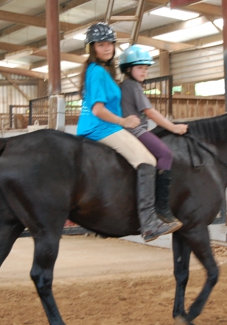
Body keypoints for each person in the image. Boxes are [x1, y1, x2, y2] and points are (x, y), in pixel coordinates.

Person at [76, 23, 182, 242]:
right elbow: (98, 109)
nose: (107, 48)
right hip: (102, 127)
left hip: (103, 126)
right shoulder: (97, 72)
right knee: (147, 160)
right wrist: (123, 120)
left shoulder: (102, 70)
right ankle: (149, 224)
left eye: (110, 44)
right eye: (101, 44)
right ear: (92, 48)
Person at [118, 45, 188, 224]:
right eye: (140, 68)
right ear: (128, 69)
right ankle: (162, 206)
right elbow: (150, 112)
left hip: (136, 129)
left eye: (146, 68)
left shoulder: (128, 85)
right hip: (134, 131)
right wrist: (173, 127)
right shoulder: (132, 86)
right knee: (165, 154)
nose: (144, 72)